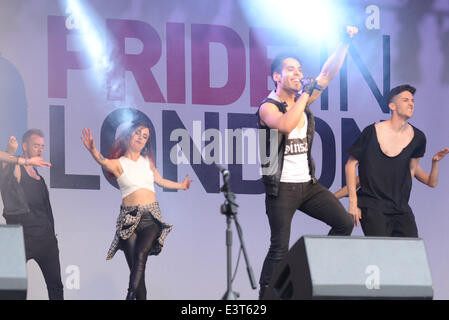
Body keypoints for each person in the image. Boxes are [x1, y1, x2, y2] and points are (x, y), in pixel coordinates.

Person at [257, 26, 358, 298]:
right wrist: (304, 95)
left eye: (300, 69)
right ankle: (265, 298)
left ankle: (315, 276)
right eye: (291, 69)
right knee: (279, 247)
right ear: (277, 76)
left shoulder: (302, 100)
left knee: (344, 223)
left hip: (307, 184)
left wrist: (344, 41)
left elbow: (326, 74)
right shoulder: (268, 106)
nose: (298, 74)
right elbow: (286, 126)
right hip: (282, 189)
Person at [81, 120, 193, 300]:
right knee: (137, 273)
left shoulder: (147, 162)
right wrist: (93, 150)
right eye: (138, 133)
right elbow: (103, 161)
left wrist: (181, 185)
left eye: (145, 136)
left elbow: (161, 180)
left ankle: (129, 297)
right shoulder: (119, 164)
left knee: (141, 255)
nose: (141, 138)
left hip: (151, 219)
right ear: (128, 136)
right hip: (128, 220)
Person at [345, 84, 428, 237]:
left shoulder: (418, 138)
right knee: (382, 256)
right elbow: (351, 165)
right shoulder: (371, 132)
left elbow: (412, 169)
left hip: (400, 208)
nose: (411, 104)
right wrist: (353, 203)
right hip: (373, 205)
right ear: (392, 106)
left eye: (412, 100)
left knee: (411, 253)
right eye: (405, 100)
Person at [0, 131, 64, 300]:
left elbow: (46, 210)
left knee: (56, 289)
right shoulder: (16, 169)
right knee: (13, 292)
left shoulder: (39, 177)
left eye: (42, 146)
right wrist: (11, 152)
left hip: (46, 241)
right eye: (36, 145)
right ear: (25, 146)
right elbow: (4, 167)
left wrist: (52, 237)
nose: (40, 150)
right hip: (20, 240)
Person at [334, 147, 448, 199]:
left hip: (399, 211)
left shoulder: (409, 163)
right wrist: (331, 198)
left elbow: (431, 182)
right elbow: (355, 184)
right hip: (376, 210)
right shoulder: (379, 162)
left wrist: (435, 162)